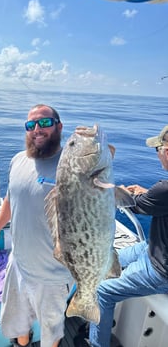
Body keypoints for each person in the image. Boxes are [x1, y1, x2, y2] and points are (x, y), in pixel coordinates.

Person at [0, 104, 73, 347]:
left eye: (44, 123)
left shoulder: (70, 167)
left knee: (51, 333)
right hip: (18, 264)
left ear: (59, 126)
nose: (37, 129)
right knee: (18, 323)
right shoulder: (17, 160)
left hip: (53, 275)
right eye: (31, 125)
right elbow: (10, 200)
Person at [87, 125, 168, 347]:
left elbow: (132, 205)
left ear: (167, 151)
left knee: (102, 291)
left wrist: (113, 188)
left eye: (157, 149)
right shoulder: (163, 190)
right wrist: (145, 192)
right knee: (108, 262)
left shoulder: (164, 190)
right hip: (153, 248)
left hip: (161, 270)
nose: (158, 154)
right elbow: (158, 200)